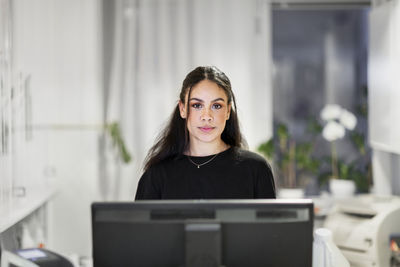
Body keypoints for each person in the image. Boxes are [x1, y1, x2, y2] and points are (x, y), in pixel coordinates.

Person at [135, 66, 275, 200]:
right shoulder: (156, 176)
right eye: (197, 105)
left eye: (216, 106)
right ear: (182, 109)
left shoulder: (256, 169)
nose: (207, 116)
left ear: (227, 111)